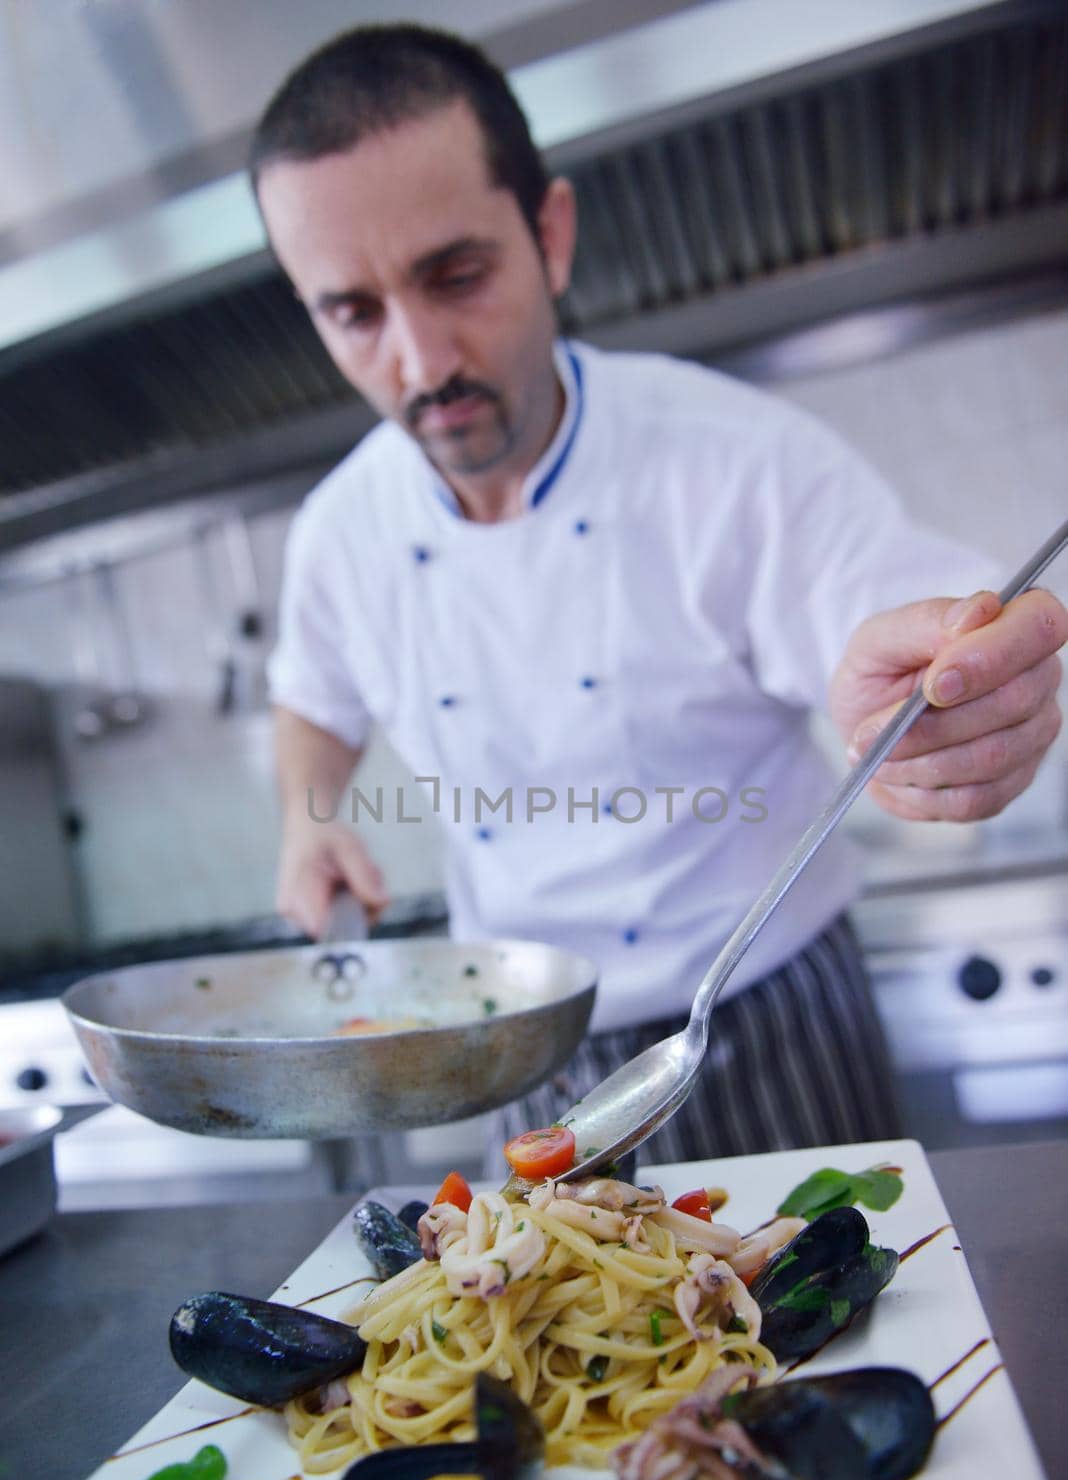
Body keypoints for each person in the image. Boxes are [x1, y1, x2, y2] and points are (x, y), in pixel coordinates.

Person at [255, 24, 1066, 1163]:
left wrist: (962, 693)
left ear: (552, 235)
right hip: (523, 1054)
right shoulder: (341, 530)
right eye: (354, 311)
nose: (422, 358)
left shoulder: (729, 458)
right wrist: (308, 818)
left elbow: (896, 611)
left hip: (769, 1020)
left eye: (458, 274)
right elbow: (314, 697)